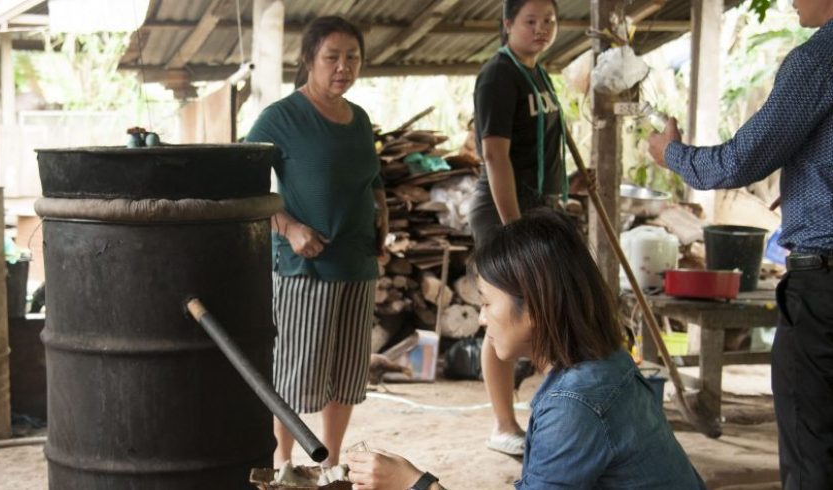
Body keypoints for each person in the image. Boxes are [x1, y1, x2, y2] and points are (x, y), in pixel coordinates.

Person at [347, 209, 707, 490]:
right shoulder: (607, 360)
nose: (483, 320)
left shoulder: (574, 403)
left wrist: (413, 482)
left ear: (534, 308)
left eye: (487, 304)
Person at [647, 3, 833, 487]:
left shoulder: (819, 59)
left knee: (813, 448)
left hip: (825, 292)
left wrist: (670, 152)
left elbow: (736, 164)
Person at [245, 16, 388, 467]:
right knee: (293, 373)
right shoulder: (281, 118)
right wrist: (287, 227)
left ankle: (330, 464)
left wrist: (382, 221)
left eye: (353, 58)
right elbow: (243, 184)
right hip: (305, 267)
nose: (343, 67)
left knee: (346, 375)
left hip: (358, 264)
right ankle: (283, 463)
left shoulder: (359, 119)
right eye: (332, 57)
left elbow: (373, 179)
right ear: (308, 60)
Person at [469, 0, 569, 456]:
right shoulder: (498, 75)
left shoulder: (539, 73)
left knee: (544, 310)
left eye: (549, 21)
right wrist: (513, 228)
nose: (542, 29)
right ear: (508, 24)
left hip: (537, 207)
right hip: (503, 210)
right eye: (531, 21)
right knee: (502, 315)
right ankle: (504, 425)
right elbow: (495, 155)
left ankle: (551, 415)